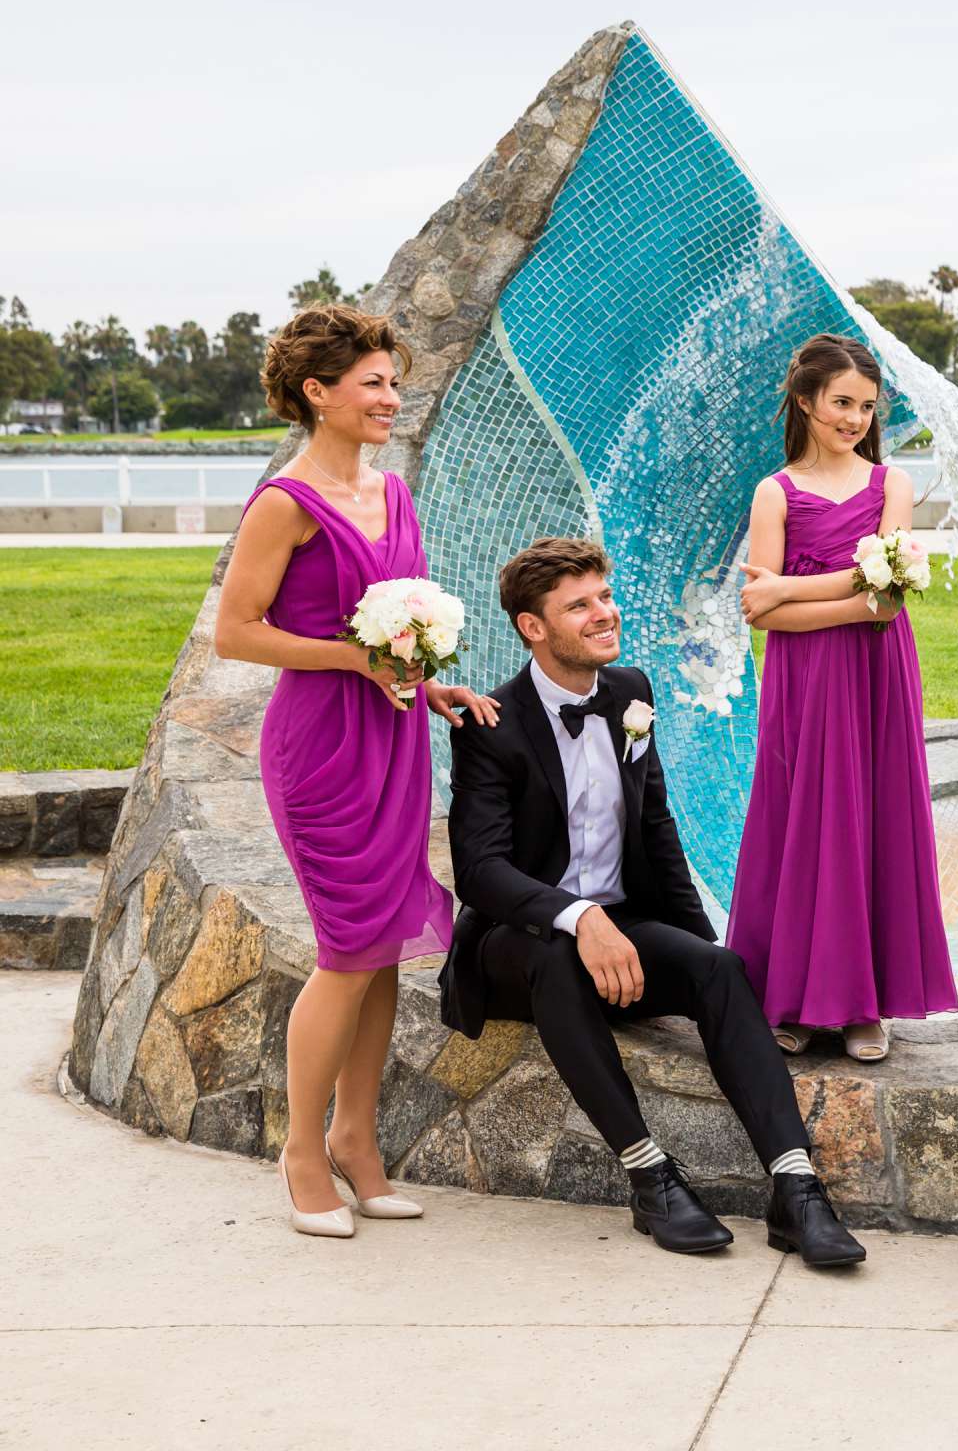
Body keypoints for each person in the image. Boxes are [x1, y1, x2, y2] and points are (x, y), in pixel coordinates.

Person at [437, 538, 865, 1265]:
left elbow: (658, 830)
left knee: (721, 969)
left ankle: (796, 1191)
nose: (605, 614)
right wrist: (581, 917)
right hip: (521, 942)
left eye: (604, 596)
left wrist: (696, 959)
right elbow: (479, 872)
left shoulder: (631, 692)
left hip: (621, 926)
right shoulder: (493, 724)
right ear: (532, 628)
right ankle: (650, 1176)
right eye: (580, 606)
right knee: (558, 958)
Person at [217, 303, 498, 1240]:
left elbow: (394, 631)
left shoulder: (396, 494)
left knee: (380, 957)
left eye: (391, 381)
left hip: (397, 737)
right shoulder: (284, 505)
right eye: (374, 383)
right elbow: (238, 632)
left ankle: (358, 1142)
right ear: (317, 394)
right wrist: (356, 662)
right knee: (347, 952)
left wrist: (428, 682)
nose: (391, 397)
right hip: (321, 751)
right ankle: (302, 1153)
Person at [729, 335, 956, 1061]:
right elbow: (760, 613)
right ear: (805, 402)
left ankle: (865, 1004)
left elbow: (885, 595)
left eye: (865, 405)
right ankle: (789, 994)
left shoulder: (891, 485)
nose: (855, 417)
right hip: (803, 677)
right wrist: (849, 599)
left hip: (875, 674)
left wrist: (791, 586)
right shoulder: (775, 492)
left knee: (871, 816)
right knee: (802, 821)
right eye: (841, 403)